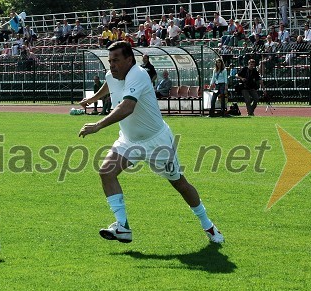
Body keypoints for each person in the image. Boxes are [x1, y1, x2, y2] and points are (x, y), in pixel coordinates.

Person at [78, 41, 224, 244]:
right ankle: (122, 227)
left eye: (116, 60)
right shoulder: (112, 75)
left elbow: (128, 106)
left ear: (130, 60)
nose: (112, 65)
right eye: (110, 61)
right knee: (106, 172)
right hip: (129, 141)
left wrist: (98, 125)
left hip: (157, 142)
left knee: (179, 183)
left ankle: (208, 225)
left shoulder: (138, 74)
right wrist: (93, 99)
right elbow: (109, 83)